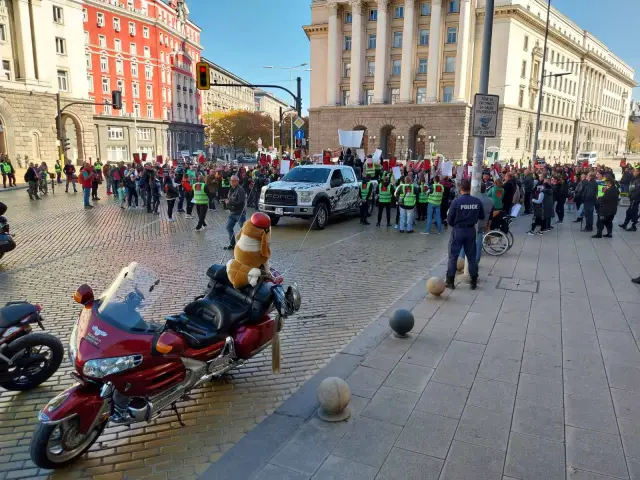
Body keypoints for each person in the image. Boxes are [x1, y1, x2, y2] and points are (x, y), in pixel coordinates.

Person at [446, 179, 485, 290]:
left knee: (453, 256)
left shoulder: (456, 202)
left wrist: (456, 224)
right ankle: (473, 281)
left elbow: (449, 219)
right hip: (471, 231)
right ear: (470, 189)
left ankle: (450, 281)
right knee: (471, 257)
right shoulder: (477, 201)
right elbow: (481, 216)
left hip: (458, 230)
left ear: (460, 189)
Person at [459, 183, 494, 264]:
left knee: (465, 242)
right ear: (485, 189)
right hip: (482, 224)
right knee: (479, 241)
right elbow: (491, 216)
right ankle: (476, 260)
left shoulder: (473, 199)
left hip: (470, 224)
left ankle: (461, 260)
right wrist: (488, 226)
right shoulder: (490, 201)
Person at [223, 175, 247, 250]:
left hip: (239, 213)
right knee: (229, 227)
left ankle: (245, 245)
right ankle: (232, 244)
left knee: (244, 230)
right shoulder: (231, 189)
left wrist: (230, 202)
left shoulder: (240, 190)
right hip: (232, 213)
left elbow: (241, 202)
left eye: (233, 180)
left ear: (237, 181)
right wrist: (226, 201)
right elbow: (229, 198)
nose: (231, 182)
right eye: (231, 180)